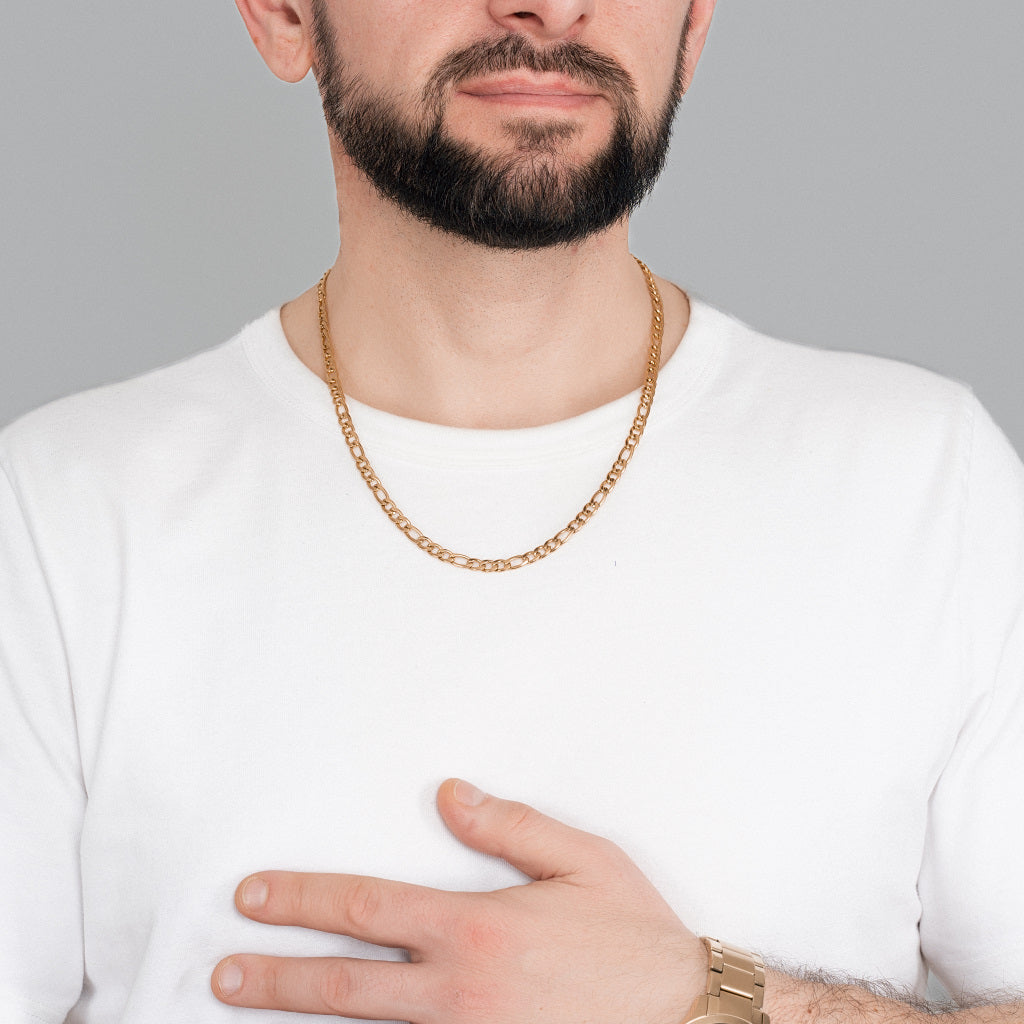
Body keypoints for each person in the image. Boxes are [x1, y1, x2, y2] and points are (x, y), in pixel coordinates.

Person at [1, 0, 1022, 1021]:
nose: (550, 4)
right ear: (280, 16)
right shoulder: (55, 520)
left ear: (695, 25)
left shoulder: (928, 482)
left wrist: (712, 1002)